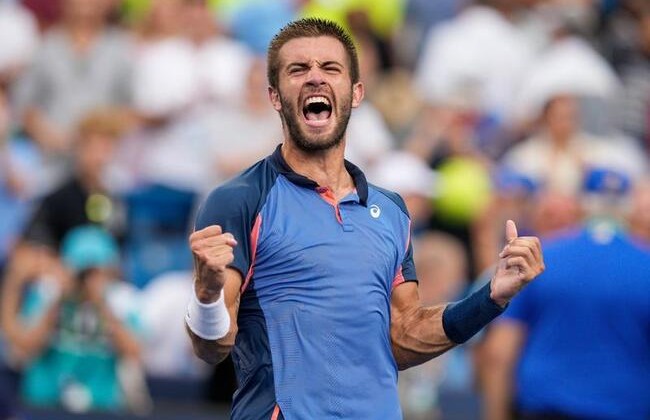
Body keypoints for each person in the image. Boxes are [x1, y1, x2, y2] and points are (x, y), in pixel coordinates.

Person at [185, 18, 545, 419]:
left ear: (355, 93)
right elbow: (212, 346)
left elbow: (404, 334)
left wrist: (492, 295)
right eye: (298, 69)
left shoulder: (391, 211)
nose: (315, 79)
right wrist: (206, 293)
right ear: (275, 95)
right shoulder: (239, 199)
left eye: (331, 68)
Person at [480, 169, 650, 420]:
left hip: (546, 408)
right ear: (629, 208)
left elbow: (499, 352)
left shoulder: (541, 258)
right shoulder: (644, 264)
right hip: (625, 408)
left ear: (581, 205)